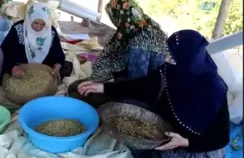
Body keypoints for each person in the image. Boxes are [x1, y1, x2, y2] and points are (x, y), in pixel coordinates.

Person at [78, 30, 229, 158]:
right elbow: (142, 86)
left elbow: (220, 138)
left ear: (188, 62)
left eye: (172, 57)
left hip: (196, 146)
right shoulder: (170, 71)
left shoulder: (213, 91)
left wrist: (185, 142)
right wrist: (103, 88)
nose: (166, 59)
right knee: (128, 108)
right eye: (168, 53)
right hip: (166, 129)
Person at [91, 0, 168, 82]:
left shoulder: (138, 40)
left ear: (119, 16)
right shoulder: (155, 30)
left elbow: (136, 84)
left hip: (149, 91)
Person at [0, 2, 65, 81]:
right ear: (30, 18)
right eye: (35, 22)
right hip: (20, 69)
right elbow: (4, 51)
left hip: (44, 70)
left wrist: (57, 66)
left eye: (43, 24)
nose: (38, 27)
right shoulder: (18, 29)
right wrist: (12, 68)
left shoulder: (51, 32)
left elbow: (58, 53)